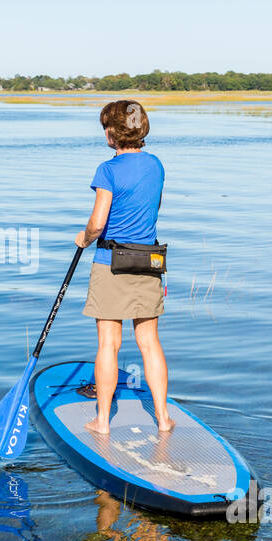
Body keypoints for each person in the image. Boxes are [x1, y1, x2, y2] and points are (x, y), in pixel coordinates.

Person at [74, 100, 173, 435]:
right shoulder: (156, 165)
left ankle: (102, 421)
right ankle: (162, 419)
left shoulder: (108, 169)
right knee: (149, 341)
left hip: (110, 262)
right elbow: (150, 210)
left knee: (108, 343)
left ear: (114, 132)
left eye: (106, 127)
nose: (104, 132)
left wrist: (84, 238)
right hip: (149, 261)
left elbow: (98, 223)